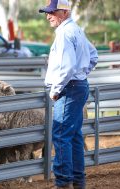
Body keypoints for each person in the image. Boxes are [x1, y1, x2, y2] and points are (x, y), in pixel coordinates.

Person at [39, 0, 98, 189]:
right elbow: (93, 55)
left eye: (52, 12)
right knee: (73, 136)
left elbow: (67, 67)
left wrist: (56, 90)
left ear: (64, 12)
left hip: (69, 88)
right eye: (47, 12)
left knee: (61, 135)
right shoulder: (76, 30)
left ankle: (64, 183)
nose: (48, 16)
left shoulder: (65, 33)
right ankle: (78, 181)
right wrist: (82, 74)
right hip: (78, 86)